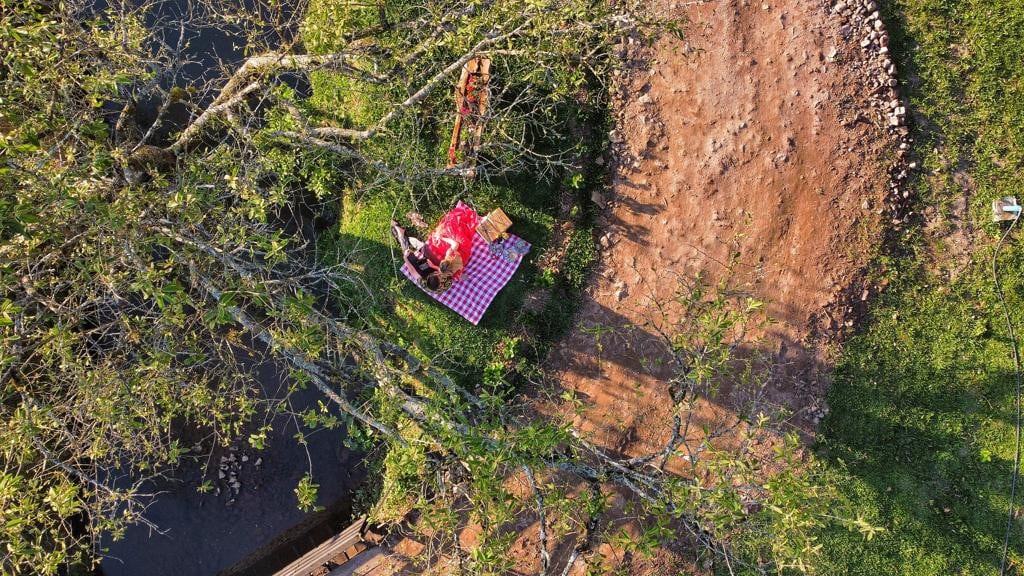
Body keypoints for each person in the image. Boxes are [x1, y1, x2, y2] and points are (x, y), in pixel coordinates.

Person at [391, 220, 443, 291]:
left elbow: (412, 271)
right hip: (427, 264)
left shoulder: (423, 282)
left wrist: (405, 258)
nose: (439, 275)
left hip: (418, 269)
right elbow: (439, 270)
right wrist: (433, 266)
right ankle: (402, 236)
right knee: (425, 249)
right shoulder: (439, 279)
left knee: (407, 254)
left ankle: (401, 236)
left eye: (438, 275)